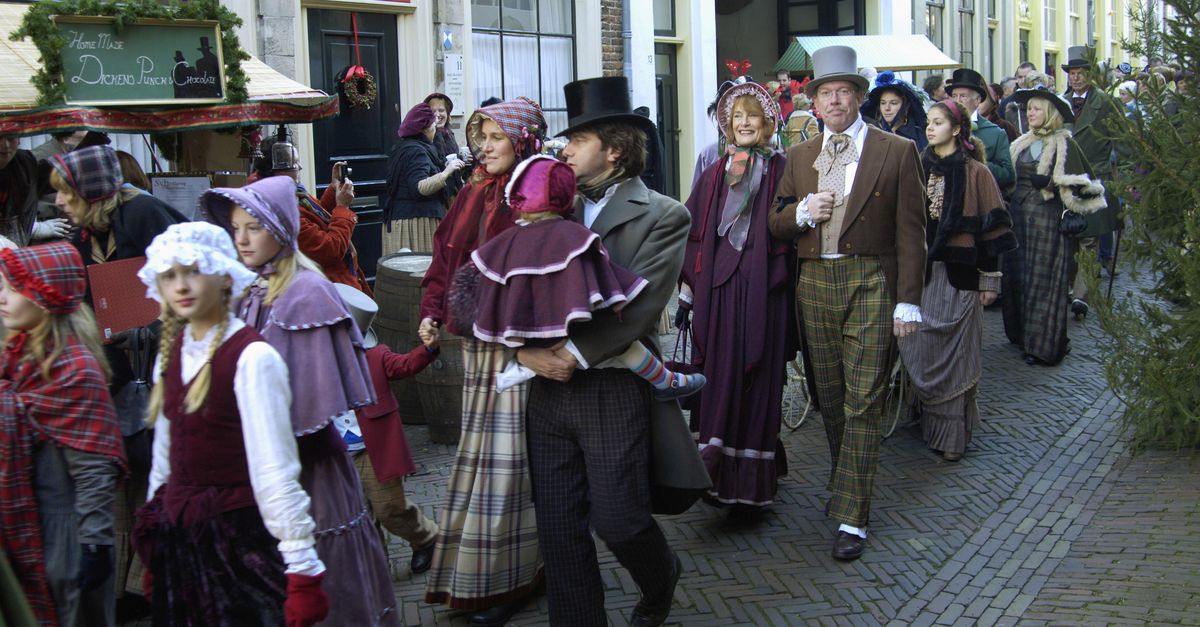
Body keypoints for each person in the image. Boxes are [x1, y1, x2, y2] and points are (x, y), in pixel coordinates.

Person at [516, 75, 692, 627]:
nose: (563, 149)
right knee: (561, 528)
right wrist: (524, 354)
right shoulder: (550, 204)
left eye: (578, 140)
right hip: (545, 386)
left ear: (613, 151)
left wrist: (570, 354)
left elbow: (639, 308)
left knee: (619, 521)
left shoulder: (664, 214)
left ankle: (660, 576)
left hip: (611, 385)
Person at [201, 175, 399, 626]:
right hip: (258, 466)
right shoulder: (245, 291)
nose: (242, 239)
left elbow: (313, 401)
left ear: (280, 226)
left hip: (309, 465)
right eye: (235, 228)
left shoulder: (309, 294)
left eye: (254, 226)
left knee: (325, 574)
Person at [767, 46, 927, 562]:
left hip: (871, 280)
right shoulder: (798, 155)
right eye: (825, 93)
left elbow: (913, 233)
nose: (834, 101)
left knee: (864, 398)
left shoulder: (896, 151)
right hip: (814, 279)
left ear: (859, 97)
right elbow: (775, 221)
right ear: (814, 102)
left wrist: (909, 303)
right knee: (829, 394)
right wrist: (802, 214)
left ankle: (853, 516)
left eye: (843, 91)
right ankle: (846, 483)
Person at [131, 223, 329, 626]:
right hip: (181, 540)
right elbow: (166, 460)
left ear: (224, 275)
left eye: (193, 271)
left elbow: (274, 468)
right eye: (170, 276)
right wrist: (155, 548)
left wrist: (302, 567)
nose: (182, 286)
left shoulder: (252, 358)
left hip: (237, 543)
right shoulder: (170, 354)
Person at [418, 96, 547, 626]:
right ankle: (474, 575)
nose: (485, 146)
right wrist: (430, 311)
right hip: (475, 346)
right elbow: (444, 255)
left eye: (496, 137)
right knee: (478, 460)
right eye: (481, 137)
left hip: (517, 347)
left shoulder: (538, 190)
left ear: (520, 140)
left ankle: (513, 578)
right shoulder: (471, 192)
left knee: (509, 464)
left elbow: (547, 268)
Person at [49, 144, 184, 614]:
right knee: (127, 472)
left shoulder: (146, 214)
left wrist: (148, 332)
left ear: (89, 191)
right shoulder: (88, 230)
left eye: (65, 194)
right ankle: (133, 580)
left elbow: (189, 288)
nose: (60, 203)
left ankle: (160, 575)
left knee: (155, 470)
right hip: (120, 371)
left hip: (164, 367)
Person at [451, 154, 704, 399]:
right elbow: (600, 270)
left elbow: (483, 281)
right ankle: (665, 381)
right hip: (571, 326)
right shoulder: (571, 234)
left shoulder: (508, 240)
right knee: (625, 346)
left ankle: (516, 373)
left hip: (528, 326)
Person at [676, 80, 793, 510]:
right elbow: (692, 233)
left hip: (763, 291)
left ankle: (752, 480)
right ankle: (715, 473)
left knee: (758, 378)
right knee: (722, 373)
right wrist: (688, 289)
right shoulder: (713, 173)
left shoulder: (783, 169)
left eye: (752, 116)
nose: (744, 123)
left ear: (766, 123)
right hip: (719, 295)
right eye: (737, 116)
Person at [0, 243, 125, 627]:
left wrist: (94, 543)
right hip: (23, 519)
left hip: (63, 534)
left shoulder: (73, 369)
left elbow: (92, 470)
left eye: (12, 288)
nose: (2, 298)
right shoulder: (17, 358)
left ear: (44, 295)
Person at [898, 100, 1017, 462]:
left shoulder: (978, 172)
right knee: (919, 346)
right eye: (929, 123)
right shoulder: (916, 166)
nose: (930, 129)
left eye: (938, 123)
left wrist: (989, 282)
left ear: (957, 128)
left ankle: (952, 437)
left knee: (956, 356)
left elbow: (994, 232)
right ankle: (923, 419)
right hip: (921, 275)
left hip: (959, 278)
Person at [338, 283, 441, 575]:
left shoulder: (375, 357)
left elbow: (406, 365)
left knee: (389, 509)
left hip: (374, 450)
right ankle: (376, 570)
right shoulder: (316, 363)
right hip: (339, 453)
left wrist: (429, 348)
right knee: (360, 517)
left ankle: (427, 538)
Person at [1002, 87, 1106, 366]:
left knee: (1043, 282)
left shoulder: (1065, 144)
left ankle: (1043, 346)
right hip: (1018, 222)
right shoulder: (1021, 142)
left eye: (1036, 109)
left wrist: (1052, 183)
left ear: (1049, 114)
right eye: (1029, 109)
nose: (1030, 113)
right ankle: (1023, 336)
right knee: (1018, 279)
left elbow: (1090, 187)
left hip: (1047, 224)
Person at [252, 135, 372, 296]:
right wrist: (343, 207)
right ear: (278, 168)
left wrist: (333, 189)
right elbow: (329, 250)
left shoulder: (294, 193)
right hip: (328, 291)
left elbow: (317, 219)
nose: (300, 166)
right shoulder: (285, 212)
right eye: (294, 163)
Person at [1061, 46, 1122, 305]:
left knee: (1090, 239)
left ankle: (1081, 295)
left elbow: (1122, 140)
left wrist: (1122, 180)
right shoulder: (1060, 102)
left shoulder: (1106, 103)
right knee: (1070, 237)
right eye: (1072, 73)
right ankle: (1070, 287)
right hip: (1067, 181)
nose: (1075, 77)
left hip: (1095, 177)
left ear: (1091, 74)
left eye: (1081, 72)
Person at [382, 103, 469, 255]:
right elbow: (420, 187)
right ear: (425, 129)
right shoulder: (416, 151)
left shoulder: (403, 147)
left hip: (402, 217)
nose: (435, 130)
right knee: (416, 274)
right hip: (415, 221)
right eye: (433, 126)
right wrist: (447, 171)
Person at [947, 68, 1016, 193]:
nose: (957, 101)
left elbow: (1008, 175)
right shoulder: (942, 127)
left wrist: (978, 161)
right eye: (954, 96)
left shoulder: (995, 133)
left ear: (977, 100)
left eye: (963, 96)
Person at [1, 134, 68, 246]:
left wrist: (94, 137)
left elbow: (62, 172)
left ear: (19, 140)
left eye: (11, 138)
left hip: (17, 254)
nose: (6, 145)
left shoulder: (25, 164)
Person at [860, 71, 929, 152]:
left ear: (906, 106)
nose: (887, 108)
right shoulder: (871, 133)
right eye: (883, 103)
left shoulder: (920, 136)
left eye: (893, 103)